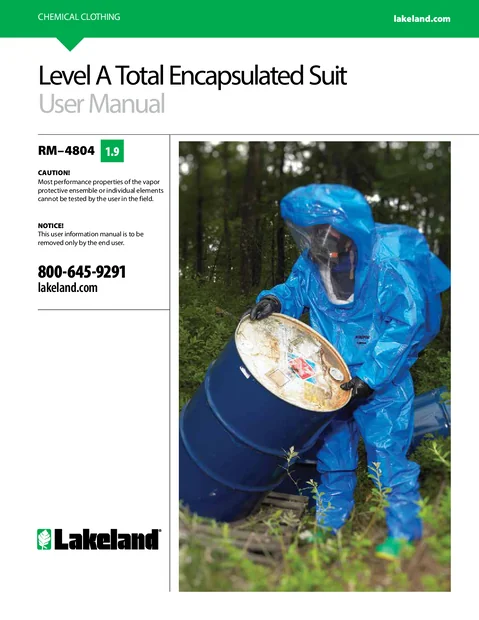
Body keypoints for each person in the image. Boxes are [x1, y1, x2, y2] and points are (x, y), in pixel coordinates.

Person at [250, 184, 450, 560]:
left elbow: (405, 323)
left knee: (388, 456)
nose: (316, 243)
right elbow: (295, 289)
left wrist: (371, 377)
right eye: (309, 234)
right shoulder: (311, 264)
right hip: (331, 377)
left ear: (348, 232)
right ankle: (330, 529)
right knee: (333, 457)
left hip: (381, 381)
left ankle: (404, 535)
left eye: (323, 234)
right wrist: (274, 300)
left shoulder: (386, 266)